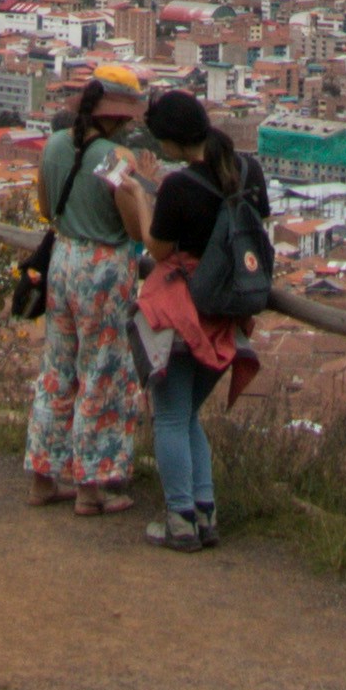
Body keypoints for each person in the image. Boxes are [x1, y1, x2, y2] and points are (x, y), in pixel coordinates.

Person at [129, 86, 261, 551]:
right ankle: (204, 513)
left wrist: (141, 199)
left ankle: (180, 519)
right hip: (228, 311)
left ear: (170, 142)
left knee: (169, 415)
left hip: (183, 311)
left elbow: (158, 249)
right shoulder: (248, 169)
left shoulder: (179, 186)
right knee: (187, 416)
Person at [21, 71, 147, 517]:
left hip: (63, 261)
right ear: (116, 117)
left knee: (57, 370)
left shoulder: (54, 145)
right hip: (104, 270)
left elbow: (43, 206)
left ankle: (43, 476)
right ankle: (90, 487)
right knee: (101, 374)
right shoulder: (116, 158)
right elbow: (134, 229)